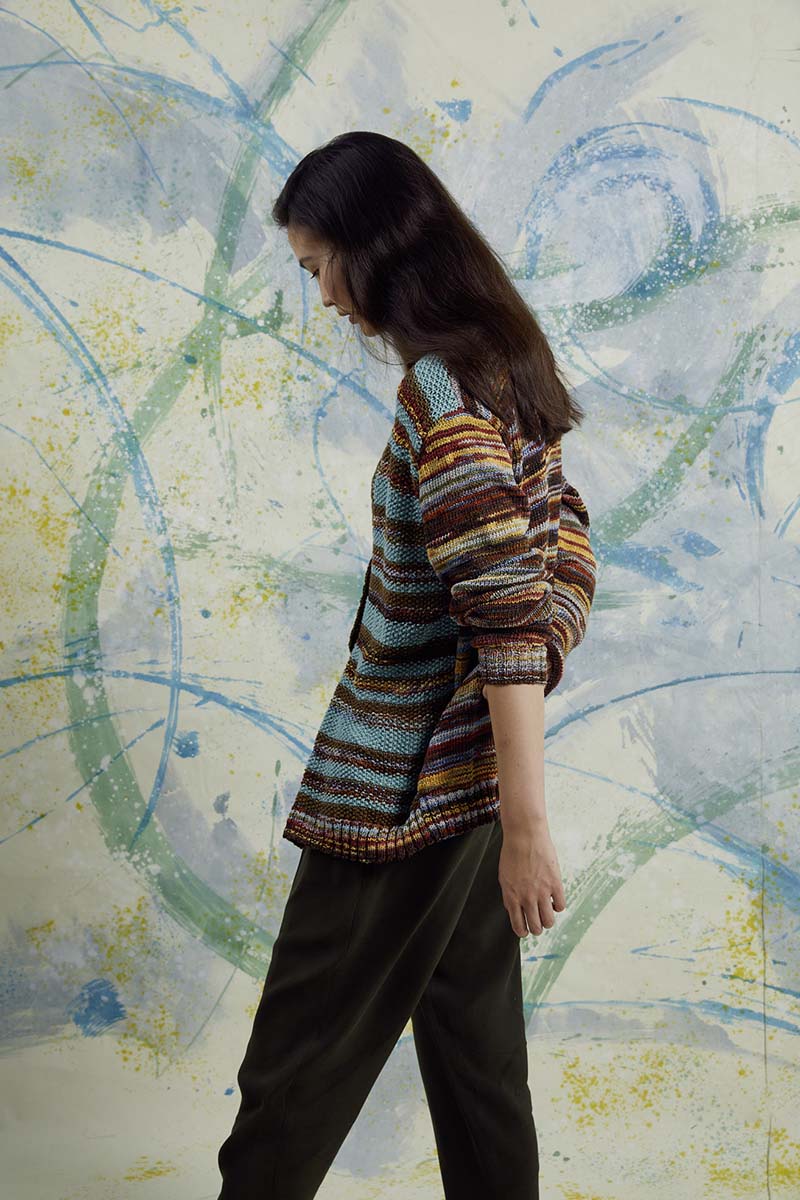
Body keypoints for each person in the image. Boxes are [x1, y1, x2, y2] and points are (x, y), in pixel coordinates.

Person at [216, 131, 597, 1200]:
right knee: (480, 1080)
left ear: (372, 246)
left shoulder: (442, 392)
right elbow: (565, 547)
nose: (323, 296)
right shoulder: (502, 365)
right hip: (465, 788)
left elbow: (508, 617)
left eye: (317, 266)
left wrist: (526, 823)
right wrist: (504, 749)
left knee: (289, 1082)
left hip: (396, 801)